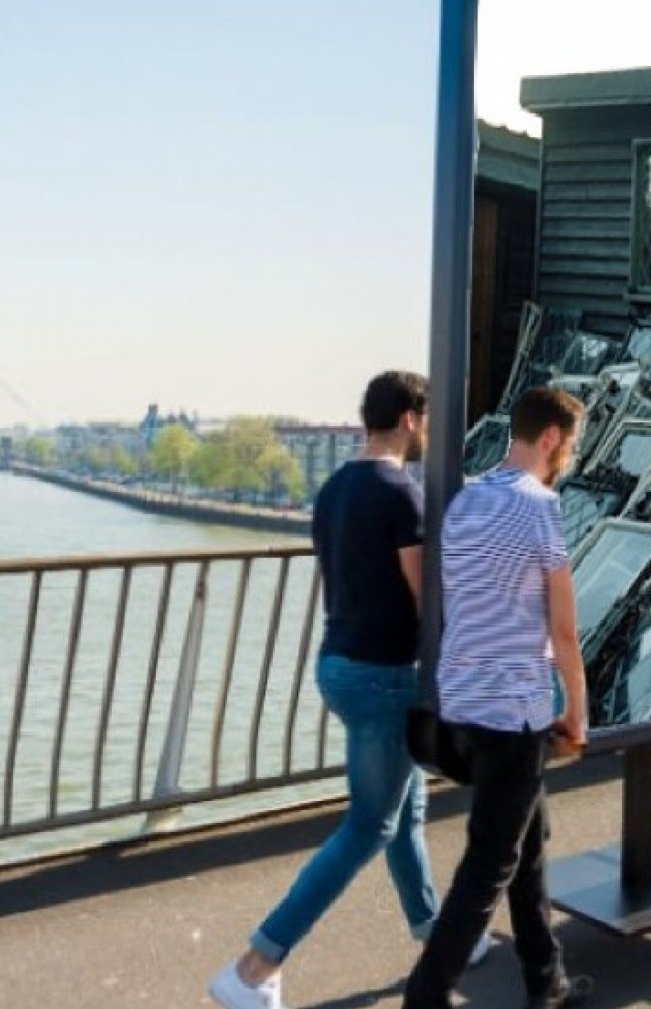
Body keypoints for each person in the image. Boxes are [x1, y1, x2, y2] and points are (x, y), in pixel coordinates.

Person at [209, 372, 491, 1009]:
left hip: (338, 664)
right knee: (370, 825)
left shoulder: (333, 489)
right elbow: (426, 600)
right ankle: (253, 967)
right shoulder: (403, 494)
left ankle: (439, 934)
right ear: (413, 420)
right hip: (383, 676)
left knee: (405, 809)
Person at [403, 387, 593, 1009]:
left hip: (460, 706)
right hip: (513, 713)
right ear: (549, 440)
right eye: (570, 444)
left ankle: (547, 983)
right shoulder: (540, 507)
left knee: (527, 846)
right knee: (487, 865)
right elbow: (563, 629)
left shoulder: (465, 503)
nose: (569, 455)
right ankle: (424, 998)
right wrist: (577, 713)